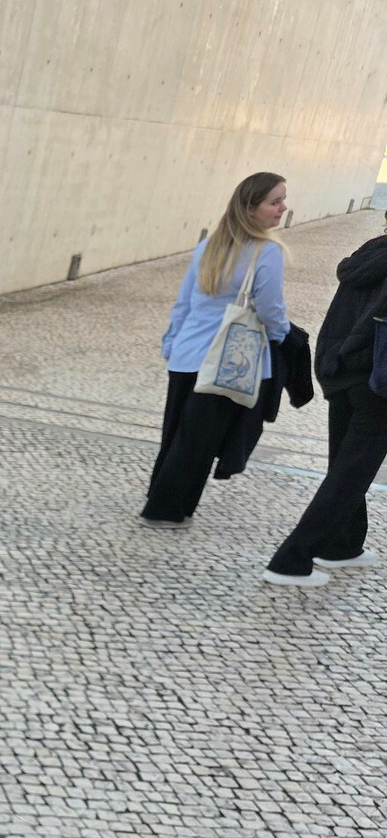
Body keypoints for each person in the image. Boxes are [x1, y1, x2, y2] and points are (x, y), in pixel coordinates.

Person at [142, 172, 292, 526]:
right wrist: (284, 334)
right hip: (226, 360)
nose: (283, 208)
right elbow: (271, 310)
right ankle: (164, 511)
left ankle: (160, 498)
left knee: (176, 433)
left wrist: (171, 342)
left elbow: (184, 303)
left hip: (186, 355)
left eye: (283, 200)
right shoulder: (267, 252)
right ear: (251, 208)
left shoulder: (207, 246)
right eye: (275, 202)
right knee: (199, 442)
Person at [263, 215, 387, 586]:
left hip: (343, 372)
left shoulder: (370, 253)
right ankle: (291, 561)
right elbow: (371, 322)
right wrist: (352, 351)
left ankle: (343, 546)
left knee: (345, 468)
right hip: (376, 381)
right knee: (351, 475)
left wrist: (336, 358)